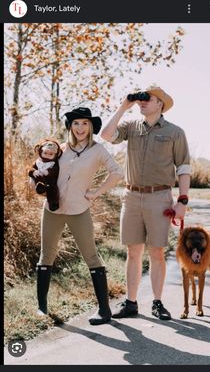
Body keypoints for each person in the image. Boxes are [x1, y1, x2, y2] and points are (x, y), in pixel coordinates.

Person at [101, 84, 191, 320]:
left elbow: (183, 168)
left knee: (157, 252)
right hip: (131, 196)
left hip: (160, 198)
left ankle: (157, 302)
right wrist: (124, 106)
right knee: (133, 251)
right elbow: (106, 135)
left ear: (160, 103)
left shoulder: (175, 132)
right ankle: (131, 304)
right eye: (140, 99)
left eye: (147, 99)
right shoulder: (131, 126)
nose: (142, 102)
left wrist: (182, 201)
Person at [36, 106, 123, 325]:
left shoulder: (98, 150)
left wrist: (95, 192)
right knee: (46, 256)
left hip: (79, 210)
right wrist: (37, 182)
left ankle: (104, 310)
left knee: (91, 257)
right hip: (53, 209)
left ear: (91, 126)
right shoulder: (60, 149)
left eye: (85, 123)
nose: (80, 127)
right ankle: (42, 308)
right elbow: (42, 167)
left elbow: (118, 173)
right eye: (76, 123)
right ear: (70, 126)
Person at [29, 138, 62, 212]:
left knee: (52, 189)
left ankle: (53, 203)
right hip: (39, 179)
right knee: (39, 181)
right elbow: (30, 170)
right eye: (45, 153)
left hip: (50, 182)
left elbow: (56, 171)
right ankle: (40, 187)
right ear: (40, 151)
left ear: (56, 155)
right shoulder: (38, 162)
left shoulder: (53, 163)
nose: (47, 155)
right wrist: (33, 172)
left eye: (51, 154)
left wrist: (49, 172)